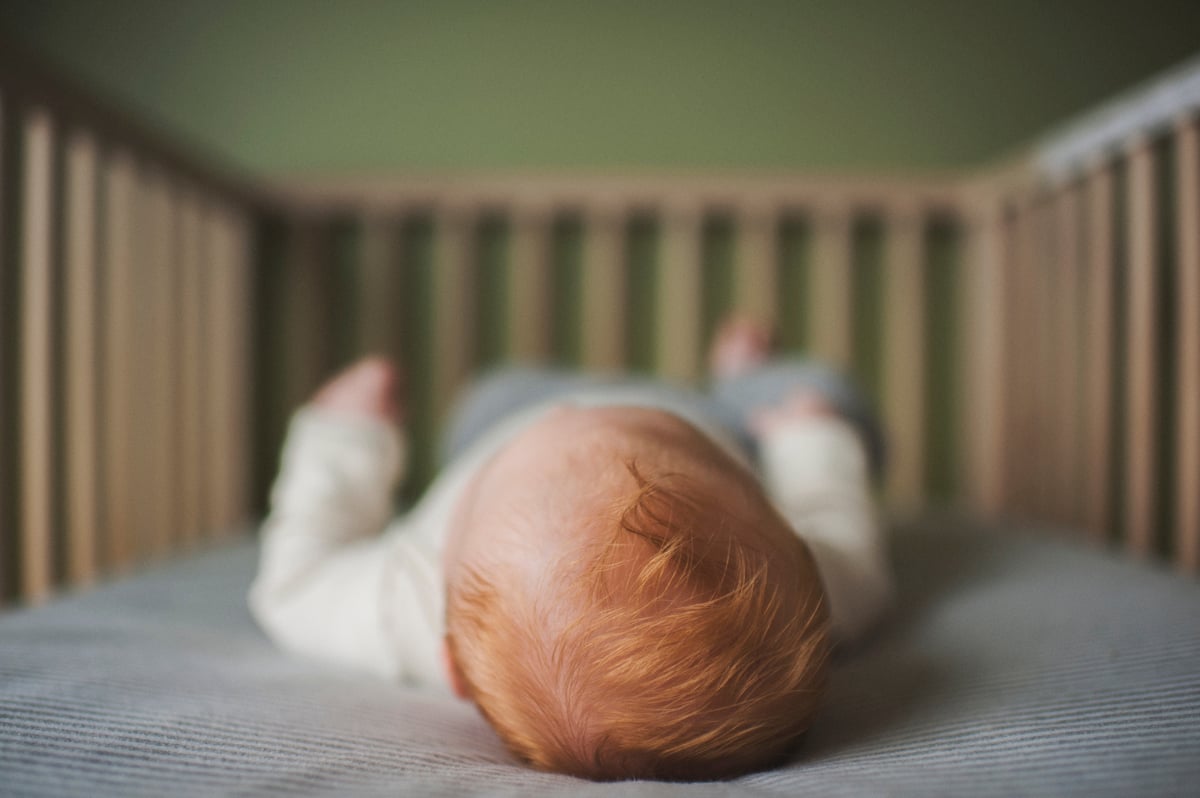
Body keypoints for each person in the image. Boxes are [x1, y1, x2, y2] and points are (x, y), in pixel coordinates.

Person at [249, 317, 893, 781]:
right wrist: (811, 440)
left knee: (489, 393)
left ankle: (727, 380)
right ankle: (744, 378)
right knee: (825, 396)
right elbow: (836, 519)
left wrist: (343, 436)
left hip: (504, 420)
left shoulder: (411, 606)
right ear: (789, 540)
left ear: (452, 666)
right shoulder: (812, 603)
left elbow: (297, 580)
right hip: (711, 423)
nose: (571, 411)